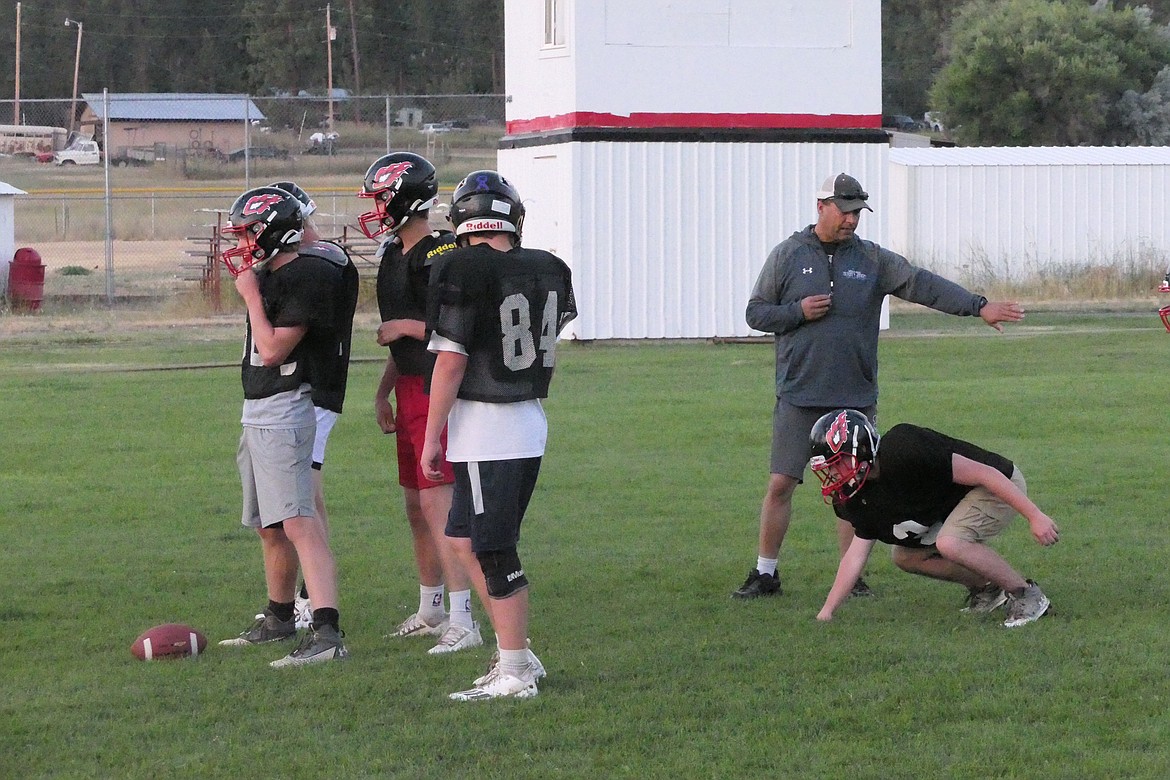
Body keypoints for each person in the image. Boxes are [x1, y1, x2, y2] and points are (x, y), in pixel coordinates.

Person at [732, 172, 1026, 600]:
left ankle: (852, 580)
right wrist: (796, 311)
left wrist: (978, 306)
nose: (852, 221)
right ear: (822, 206)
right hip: (800, 395)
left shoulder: (871, 259)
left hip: (854, 398)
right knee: (781, 483)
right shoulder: (788, 255)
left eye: (857, 213)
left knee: (855, 487)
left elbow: (922, 284)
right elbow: (756, 313)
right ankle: (765, 573)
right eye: (845, 211)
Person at [422, 170, 576, 700]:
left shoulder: (463, 268)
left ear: (463, 223)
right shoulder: (547, 267)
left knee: (493, 549)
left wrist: (430, 436)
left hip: (489, 430)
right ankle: (518, 654)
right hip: (524, 419)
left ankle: (514, 671)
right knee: (462, 538)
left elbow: (449, 364)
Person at [216, 185, 350, 667]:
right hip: (257, 408)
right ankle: (279, 617)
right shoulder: (275, 271)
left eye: (251, 232)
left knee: (299, 522)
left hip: (286, 407)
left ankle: (327, 631)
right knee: (269, 526)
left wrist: (251, 295)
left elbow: (274, 350)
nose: (244, 242)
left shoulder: (308, 274)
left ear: (276, 232)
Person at [360, 152, 482, 654]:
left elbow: (458, 326)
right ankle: (431, 605)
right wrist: (384, 387)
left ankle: (463, 619)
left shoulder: (442, 253)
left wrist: (405, 328)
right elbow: (404, 337)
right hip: (411, 382)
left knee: (439, 501)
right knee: (415, 502)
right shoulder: (394, 253)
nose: (375, 207)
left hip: (439, 388)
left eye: (381, 196)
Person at [807, 409, 1059, 627]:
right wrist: (826, 612)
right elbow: (856, 554)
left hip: (995, 485)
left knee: (950, 542)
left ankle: (1026, 595)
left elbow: (985, 473)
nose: (833, 472)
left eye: (837, 463)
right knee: (906, 556)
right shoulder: (855, 496)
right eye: (828, 467)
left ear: (862, 450)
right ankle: (989, 589)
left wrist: (1034, 515)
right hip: (951, 502)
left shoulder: (903, 449)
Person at [269, 181, 360, 630]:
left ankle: (312, 601)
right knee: (307, 493)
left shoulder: (320, 262)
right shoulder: (317, 260)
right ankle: (305, 597)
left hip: (314, 389)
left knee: (305, 495)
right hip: (312, 387)